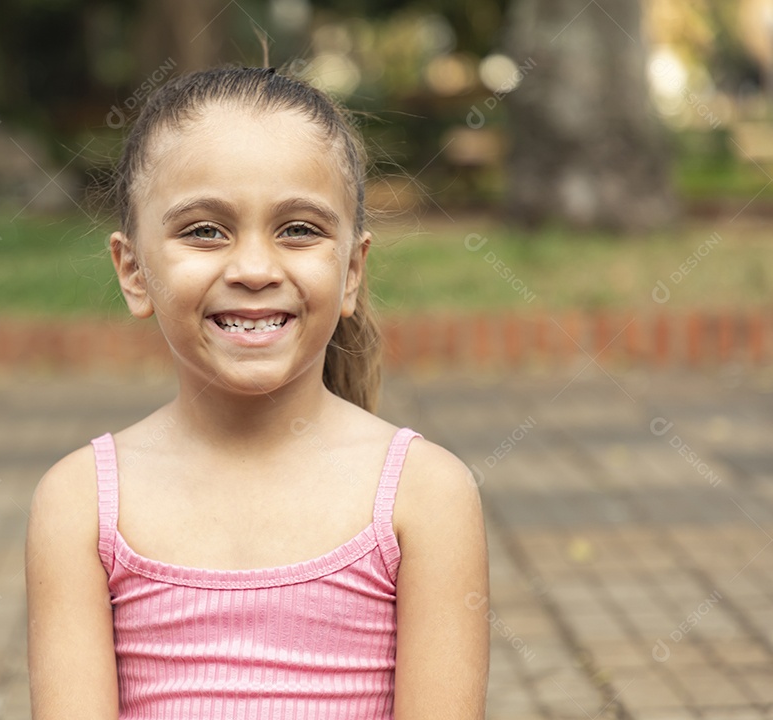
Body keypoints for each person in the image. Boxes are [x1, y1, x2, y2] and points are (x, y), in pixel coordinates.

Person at [26, 65, 489, 720]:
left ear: (352, 271)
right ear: (133, 271)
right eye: (204, 230)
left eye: (299, 229)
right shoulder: (81, 504)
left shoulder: (427, 493)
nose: (252, 269)